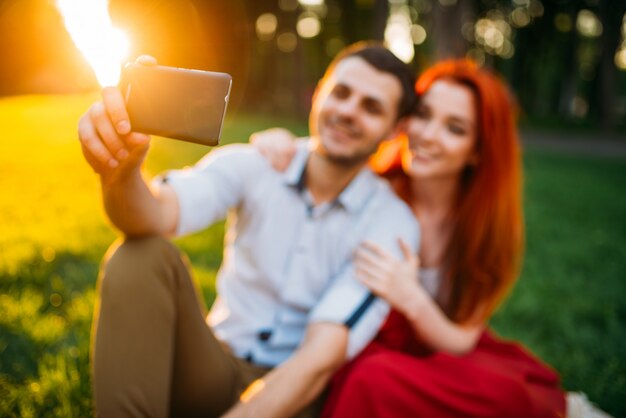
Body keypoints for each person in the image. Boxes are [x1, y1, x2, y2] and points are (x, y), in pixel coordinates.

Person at [77, 42, 421, 418]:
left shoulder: (391, 222)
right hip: (216, 365)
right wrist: (121, 173)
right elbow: (154, 214)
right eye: (341, 93)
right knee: (139, 256)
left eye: (371, 107)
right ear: (319, 92)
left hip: (293, 394)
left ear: (395, 130)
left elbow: (318, 360)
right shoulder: (256, 163)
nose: (348, 112)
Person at [251, 59, 598, 417]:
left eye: (455, 128)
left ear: (478, 150)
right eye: (424, 114)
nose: (427, 134)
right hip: (355, 342)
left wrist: (410, 296)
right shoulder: (371, 190)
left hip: (441, 350)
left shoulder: (484, 227)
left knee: (507, 398)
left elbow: (462, 339)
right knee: (370, 377)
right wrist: (281, 143)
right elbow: (321, 160)